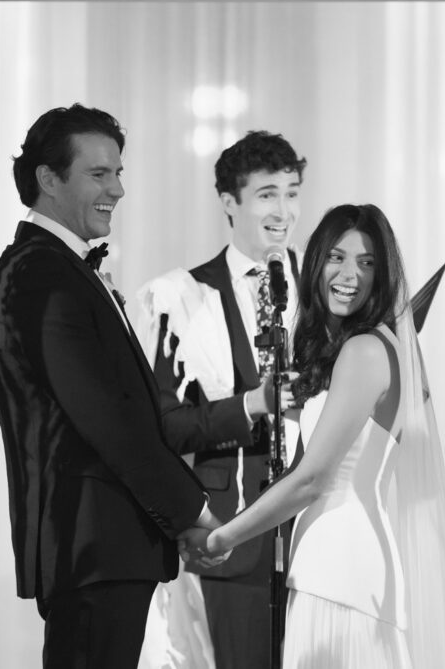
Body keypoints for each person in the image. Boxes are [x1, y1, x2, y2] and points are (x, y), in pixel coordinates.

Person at [0, 104, 220, 668]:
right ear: (48, 178)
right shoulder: (40, 271)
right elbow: (107, 419)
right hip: (90, 544)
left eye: (119, 172)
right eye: (99, 174)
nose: (118, 188)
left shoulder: (57, 268)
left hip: (104, 546)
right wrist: (193, 512)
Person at [180, 204, 445, 668]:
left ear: (383, 275)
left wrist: (221, 538)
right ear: (316, 261)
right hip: (338, 568)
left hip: (341, 573)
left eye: (367, 262)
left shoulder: (363, 350)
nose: (349, 274)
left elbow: (313, 479)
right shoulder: (375, 348)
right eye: (337, 257)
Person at [136, 130, 305, 668]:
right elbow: (161, 426)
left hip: (317, 527)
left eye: (292, 192)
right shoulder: (179, 297)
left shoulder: (322, 285)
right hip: (233, 532)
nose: (284, 210)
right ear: (229, 203)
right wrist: (251, 405)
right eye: (267, 194)